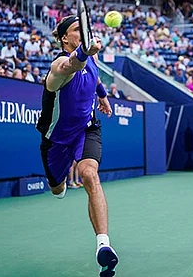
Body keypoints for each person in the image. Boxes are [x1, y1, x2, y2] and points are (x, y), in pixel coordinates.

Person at [36, 16, 118, 277]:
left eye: (85, 30)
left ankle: (103, 245)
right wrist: (84, 51)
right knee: (57, 190)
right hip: (56, 140)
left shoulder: (92, 58)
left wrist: (103, 97)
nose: (83, 33)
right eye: (76, 30)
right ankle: (59, 185)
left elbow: (93, 78)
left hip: (87, 128)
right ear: (64, 38)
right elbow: (72, 64)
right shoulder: (58, 65)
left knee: (89, 175)